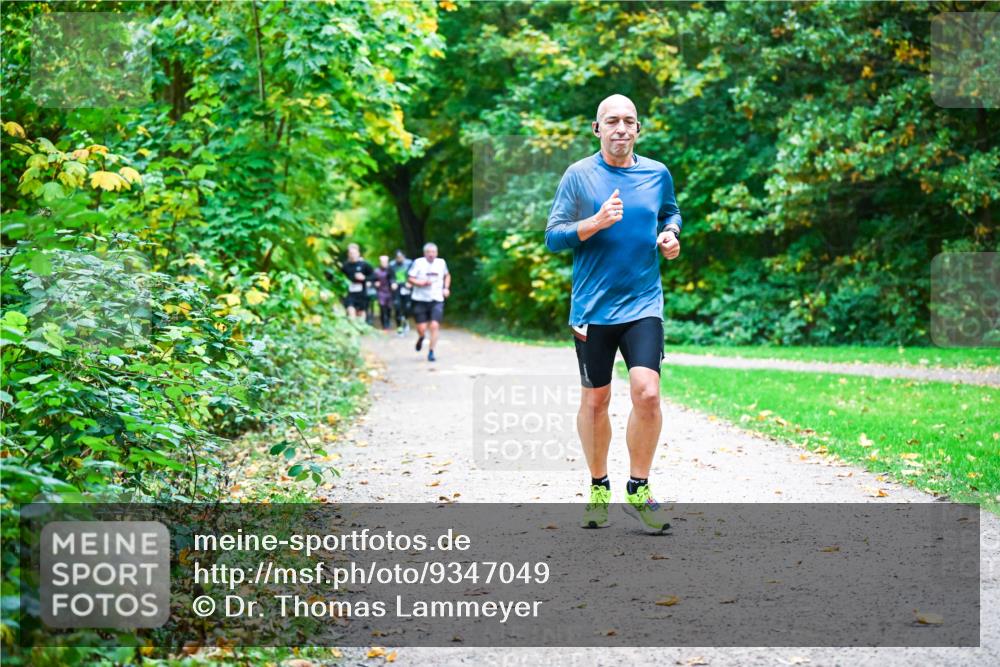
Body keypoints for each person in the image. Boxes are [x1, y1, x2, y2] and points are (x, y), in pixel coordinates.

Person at [545, 94, 682, 533]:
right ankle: (599, 486)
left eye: (629, 121)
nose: (621, 128)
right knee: (596, 399)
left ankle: (638, 489)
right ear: (596, 128)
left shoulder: (657, 173)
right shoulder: (579, 176)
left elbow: (671, 212)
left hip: (643, 302)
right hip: (593, 308)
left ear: (638, 129)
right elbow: (554, 237)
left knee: (647, 393)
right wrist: (595, 223)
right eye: (612, 121)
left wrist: (670, 235)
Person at [407, 242, 450, 362]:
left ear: (436, 253)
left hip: (436, 299)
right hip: (420, 299)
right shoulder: (418, 263)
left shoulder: (441, 263)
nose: (431, 254)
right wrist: (420, 283)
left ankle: (431, 352)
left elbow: (447, 275)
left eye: (433, 252)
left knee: (434, 326)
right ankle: (421, 337)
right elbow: (410, 278)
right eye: (428, 252)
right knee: (421, 328)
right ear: (424, 253)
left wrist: (446, 288)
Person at [340, 243, 374, 320]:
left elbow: (374, 276)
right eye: (351, 253)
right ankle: (353, 329)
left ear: (358, 253)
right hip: (350, 293)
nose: (353, 255)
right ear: (348, 254)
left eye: (354, 253)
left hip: (362, 293)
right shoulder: (345, 266)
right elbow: (339, 278)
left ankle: (362, 329)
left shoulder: (364, 265)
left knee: (361, 313)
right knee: (351, 311)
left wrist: (364, 278)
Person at [389, 249, 413, 334]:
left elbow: (413, 274)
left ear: (404, 256)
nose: (399, 259)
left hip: (406, 287)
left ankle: (405, 320)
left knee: (407, 306)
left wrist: (410, 282)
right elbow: (390, 276)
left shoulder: (409, 263)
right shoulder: (392, 265)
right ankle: (399, 327)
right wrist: (393, 283)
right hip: (397, 288)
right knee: (397, 306)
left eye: (400, 257)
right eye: (397, 257)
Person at [373, 255, 395, 331]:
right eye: (382, 262)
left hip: (389, 291)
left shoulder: (390, 269)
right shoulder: (376, 271)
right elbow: (373, 279)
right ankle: (384, 325)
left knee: (389, 308)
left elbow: (393, 278)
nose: (384, 263)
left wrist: (393, 284)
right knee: (382, 308)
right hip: (380, 292)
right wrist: (375, 283)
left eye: (385, 262)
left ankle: (388, 322)